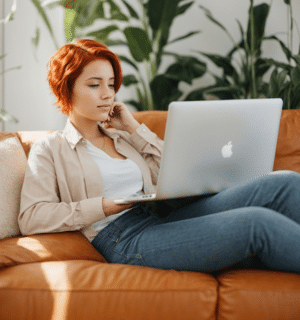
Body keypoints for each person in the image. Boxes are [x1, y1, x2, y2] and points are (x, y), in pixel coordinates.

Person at [19, 39, 300, 273]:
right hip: (121, 239)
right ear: (66, 88)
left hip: (157, 220)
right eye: (95, 85)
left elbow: (177, 174)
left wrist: (132, 127)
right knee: (255, 224)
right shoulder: (50, 148)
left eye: (112, 84)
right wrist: (104, 206)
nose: (107, 95)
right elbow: (31, 217)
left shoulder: (121, 136)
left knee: (284, 182)